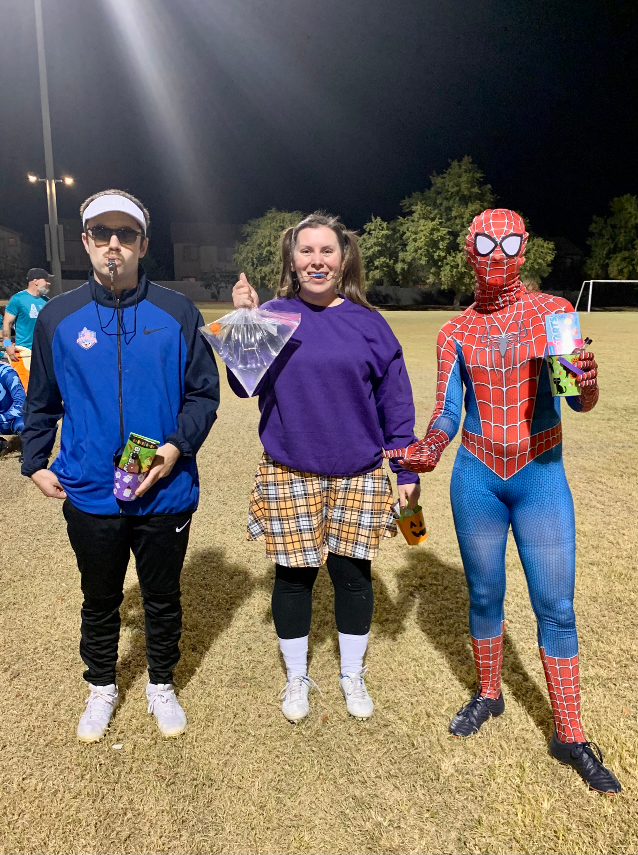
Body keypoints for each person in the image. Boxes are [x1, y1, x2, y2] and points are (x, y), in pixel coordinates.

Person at [386, 209, 621, 794]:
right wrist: (430, 448)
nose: (498, 254)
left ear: (524, 249)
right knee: (485, 592)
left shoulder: (555, 314)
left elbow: (578, 402)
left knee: (556, 606)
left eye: (510, 242)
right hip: (477, 478)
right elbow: (446, 412)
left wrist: (586, 382)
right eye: (487, 243)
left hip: (541, 473)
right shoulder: (454, 332)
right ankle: (489, 694)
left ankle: (570, 733)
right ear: (470, 250)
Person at [21, 190, 220, 743]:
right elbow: (41, 400)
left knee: (161, 596)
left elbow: (203, 396)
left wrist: (176, 447)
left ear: (143, 244)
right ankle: (102, 685)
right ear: (84, 241)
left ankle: (161, 682)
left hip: (165, 488)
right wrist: (35, 462)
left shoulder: (178, 312)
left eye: (126, 234)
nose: (115, 244)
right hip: (89, 490)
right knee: (100, 597)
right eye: (103, 233)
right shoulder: (58, 317)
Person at [229, 212, 420, 723]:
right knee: (294, 578)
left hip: (357, 471)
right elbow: (243, 387)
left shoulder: (369, 322)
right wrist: (246, 322)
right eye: (307, 251)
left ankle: (351, 675)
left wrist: (405, 469)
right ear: (292, 259)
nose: (317, 260)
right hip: (291, 470)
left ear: (344, 258)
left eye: (327, 251)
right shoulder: (271, 314)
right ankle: (296, 678)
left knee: (353, 577)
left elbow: (395, 403)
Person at [3, 268, 53, 370]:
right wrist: (7, 345)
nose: (49, 283)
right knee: (25, 384)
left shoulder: (47, 301)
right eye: (46, 280)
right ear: (35, 281)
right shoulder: (18, 299)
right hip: (24, 351)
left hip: (43, 351)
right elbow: (7, 323)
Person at [0, 360, 25, 454]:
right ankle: (1, 444)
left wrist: (2, 417)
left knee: (24, 424)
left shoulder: (8, 373)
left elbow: (21, 403)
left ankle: (31, 450)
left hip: (15, 420)